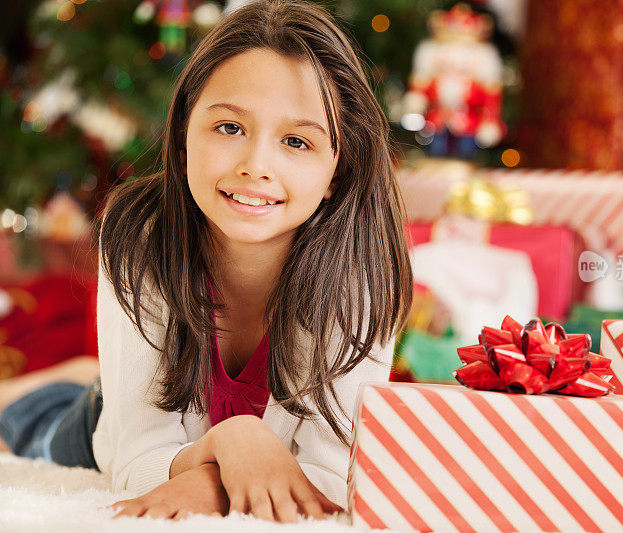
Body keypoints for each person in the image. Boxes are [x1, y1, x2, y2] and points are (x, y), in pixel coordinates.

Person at [0, 0, 412, 522]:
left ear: (338, 169)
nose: (256, 166)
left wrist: (215, 477)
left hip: (165, 428)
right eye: (230, 129)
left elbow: (332, 476)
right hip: (95, 426)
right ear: (182, 134)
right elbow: (134, 461)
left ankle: (90, 374)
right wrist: (235, 440)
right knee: (33, 430)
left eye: (296, 141)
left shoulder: (362, 273)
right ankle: (45, 390)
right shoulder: (139, 236)